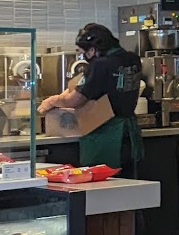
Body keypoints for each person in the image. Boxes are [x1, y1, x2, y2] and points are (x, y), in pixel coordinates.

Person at [37, 23, 143, 175]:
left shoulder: (100, 65)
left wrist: (52, 101)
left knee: (104, 185)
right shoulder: (132, 59)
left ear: (93, 50)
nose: (84, 58)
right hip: (130, 133)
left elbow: (75, 100)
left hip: (106, 136)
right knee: (128, 184)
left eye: (83, 53)